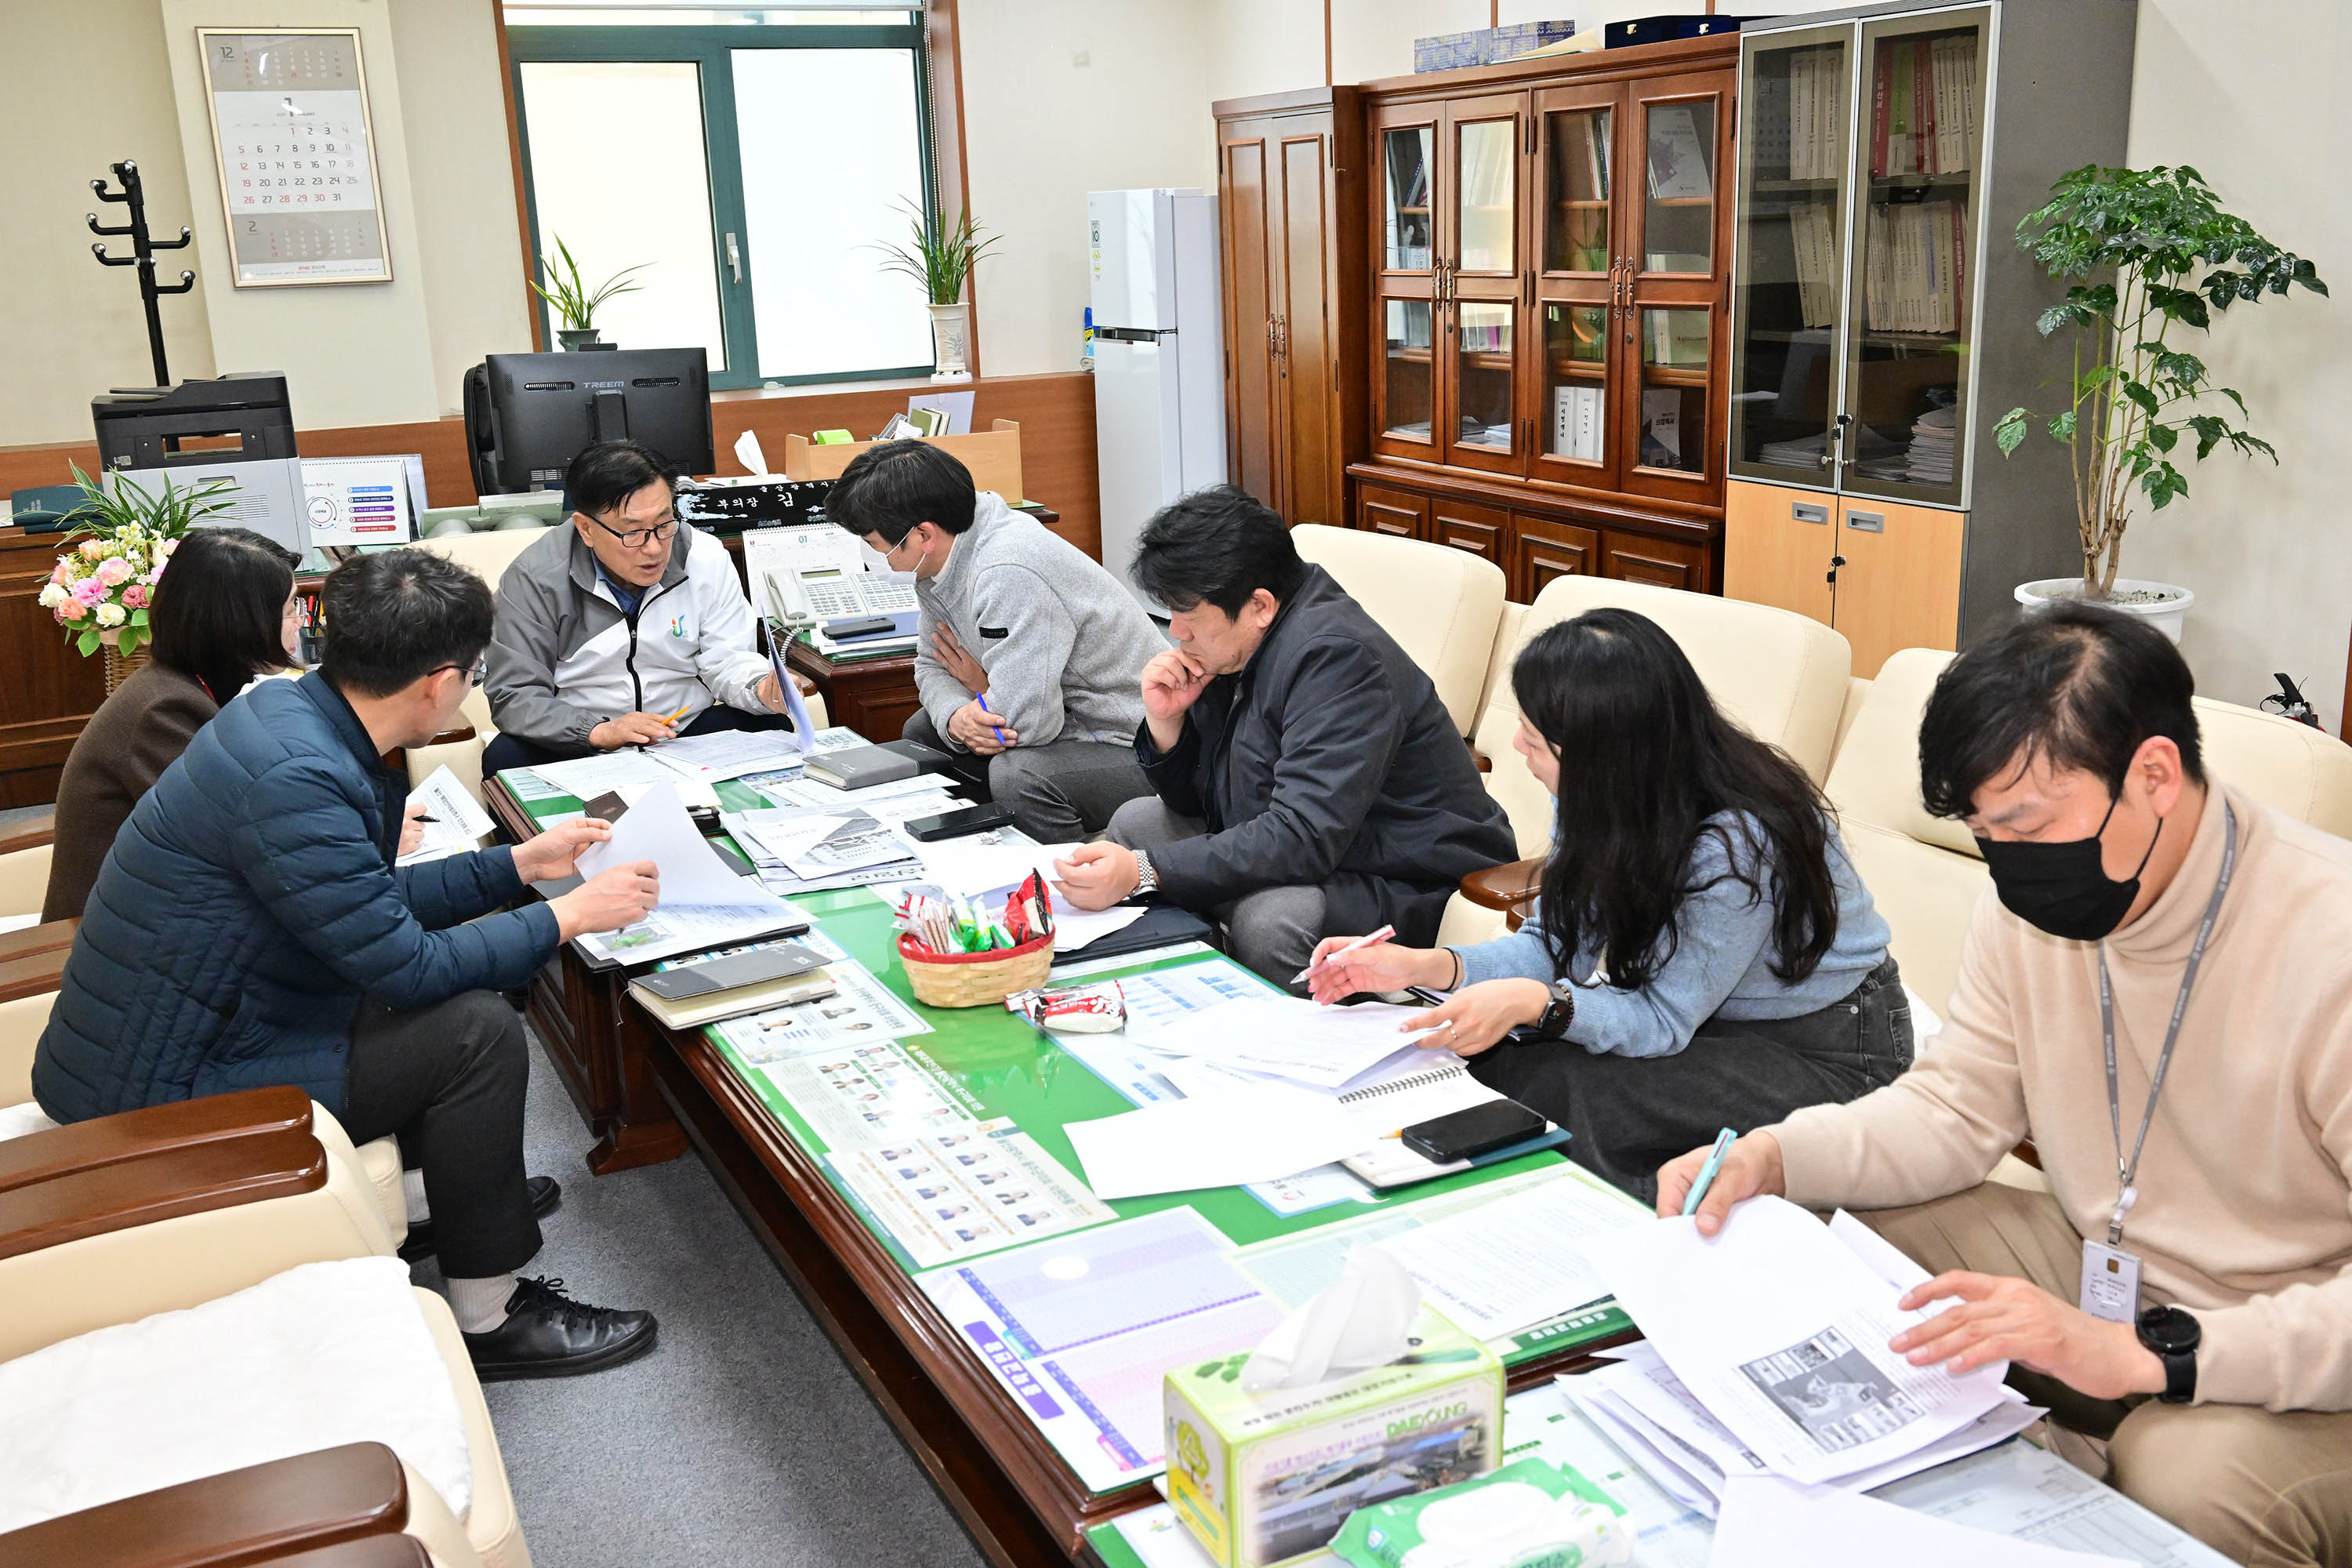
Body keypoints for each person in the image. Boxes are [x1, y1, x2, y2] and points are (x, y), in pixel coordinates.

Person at [1658, 601, 2352, 1566]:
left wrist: (2163, 1358)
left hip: (2306, 1346)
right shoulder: (2031, 908)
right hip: (2110, 1265)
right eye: (1988, 834)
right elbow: (1953, 1107)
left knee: (2181, 1475)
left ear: (2153, 773)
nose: (2011, 867)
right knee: (1855, 1249)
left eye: (2029, 824)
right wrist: (1780, 1156)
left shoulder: (2330, 940)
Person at [33, 549, 667, 1380]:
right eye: (474, 674)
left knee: (451, 1003)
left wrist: (519, 866)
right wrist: (569, 914)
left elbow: (370, 902)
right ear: (440, 682)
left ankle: (448, 1199)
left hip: (204, 1019)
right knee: (474, 1029)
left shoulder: (296, 716)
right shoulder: (297, 773)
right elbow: (405, 964)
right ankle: (490, 1313)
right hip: (162, 1084)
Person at [1307, 610, 1907, 1200]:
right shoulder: (1607, 793)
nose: (1516, 746)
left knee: (1571, 1092)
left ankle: (1612, 1242)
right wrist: (1425, 967)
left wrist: (1537, 1003)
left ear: (1598, 755)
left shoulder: (1736, 843)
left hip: (1829, 1050)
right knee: (1496, 1061)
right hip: (1713, 1019)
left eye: (1535, 738)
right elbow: (1555, 944)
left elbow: (1662, 1020)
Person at [1053, 486, 1515, 984]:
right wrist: (1169, 725)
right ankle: (1193, 987)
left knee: (1270, 921)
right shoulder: (1234, 645)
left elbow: (1303, 836)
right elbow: (1202, 803)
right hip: (1322, 850)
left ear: (1260, 606)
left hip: (1409, 877)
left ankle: (1293, 1043)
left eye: (1188, 612)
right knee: (1136, 824)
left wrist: (1147, 871)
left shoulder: (1338, 659)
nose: (1176, 631)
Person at [826, 440, 1163, 842]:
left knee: (1018, 776)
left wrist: (981, 691)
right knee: (924, 731)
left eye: (873, 544)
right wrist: (956, 717)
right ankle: (971, 852)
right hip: (1062, 722)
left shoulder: (1008, 569)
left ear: (922, 535)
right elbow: (932, 663)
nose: (870, 556)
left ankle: (1066, 883)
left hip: (1134, 743)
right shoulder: (940, 558)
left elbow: (1028, 725)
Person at [481, 438, 811, 774]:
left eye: (664, 524)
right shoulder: (535, 579)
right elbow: (515, 694)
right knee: (505, 756)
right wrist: (599, 731)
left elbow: (727, 660)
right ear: (586, 529)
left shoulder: (704, 556)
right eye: (634, 532)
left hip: (683, 729)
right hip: (582, 739)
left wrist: (760, 688)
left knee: (770, 725)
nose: (654, 548)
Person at [44, 527, 301, 922]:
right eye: (290, 610)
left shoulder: (182, 684)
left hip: (164, 916)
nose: (299, 623)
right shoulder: (165, 711)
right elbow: (227, 843)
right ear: (238, 622)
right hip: (112, 940)